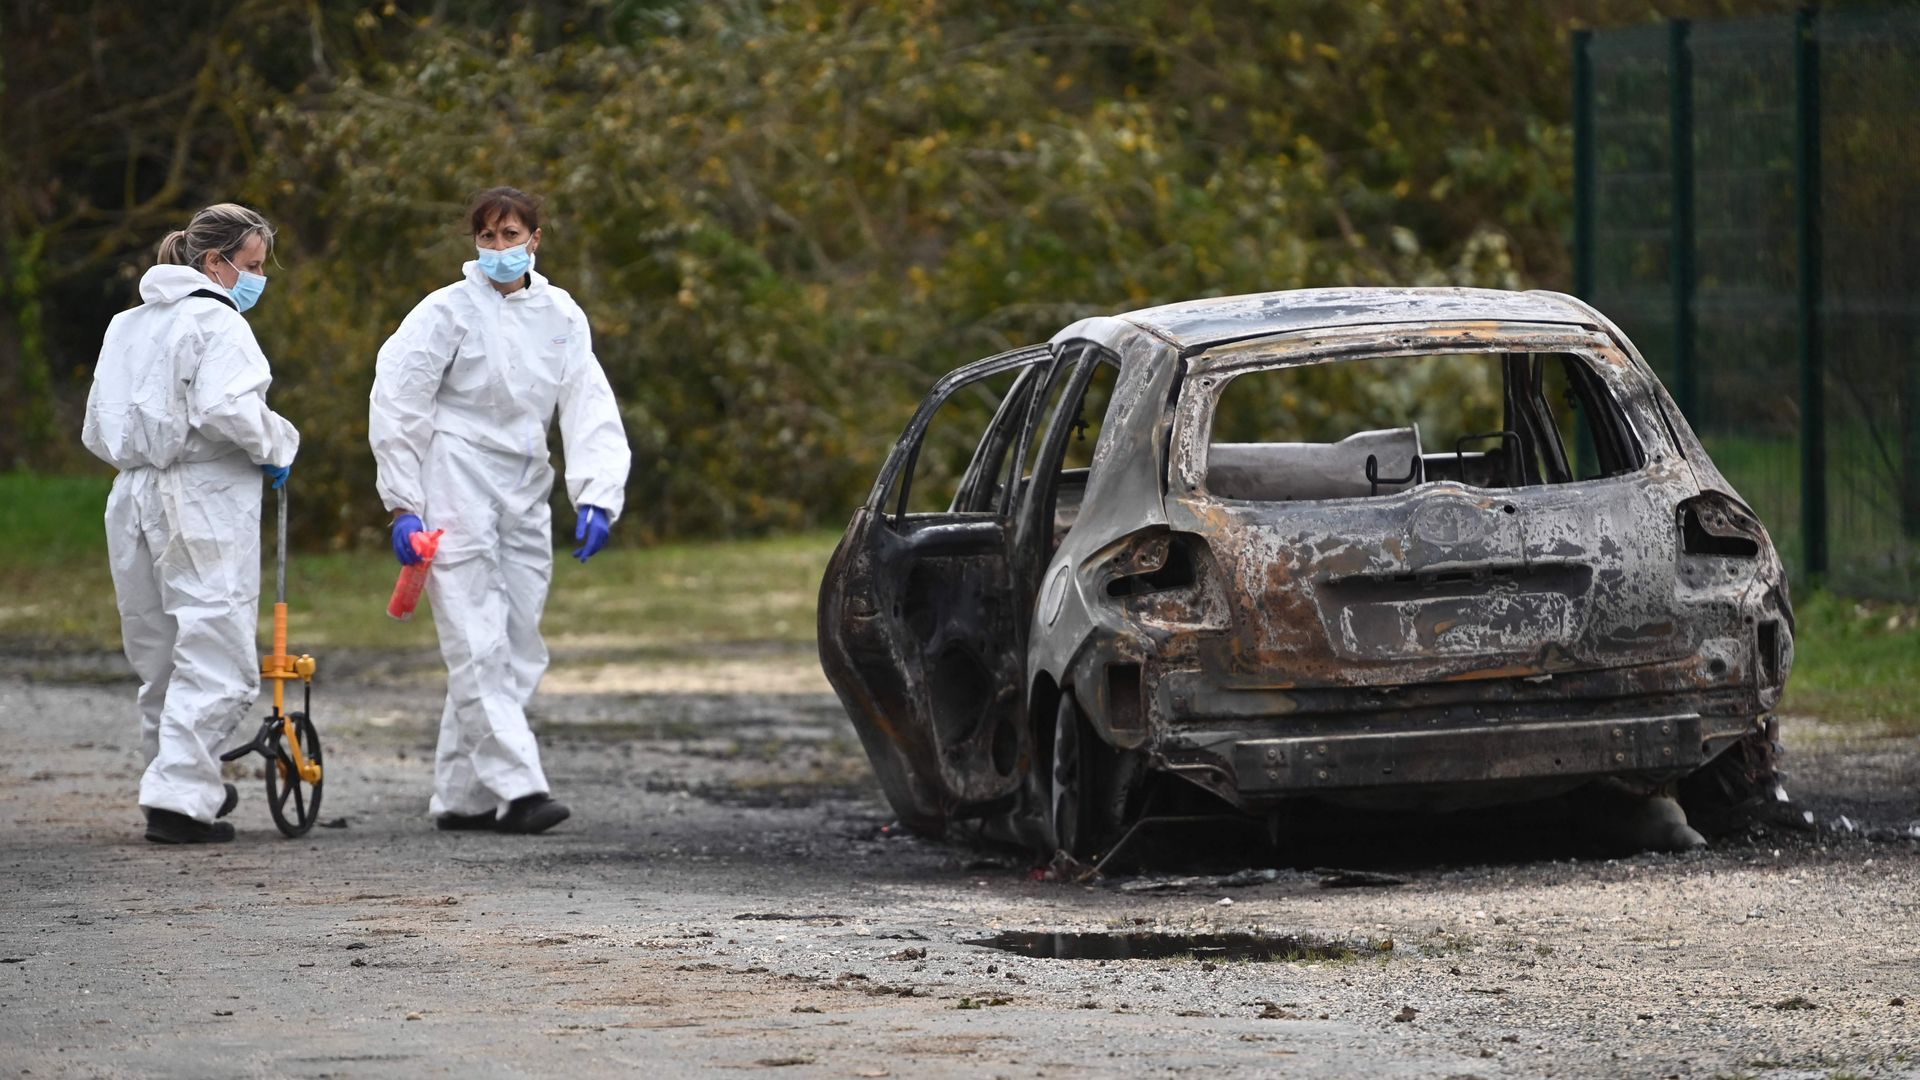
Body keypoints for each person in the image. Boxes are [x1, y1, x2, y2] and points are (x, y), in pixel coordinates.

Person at [369, 186, 631, 834]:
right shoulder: (446, 312)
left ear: (535, 240)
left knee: (518, 641)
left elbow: (587, 403)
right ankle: (520, 789)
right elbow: (398, 399)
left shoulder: (562, 315)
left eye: (510, 236)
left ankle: (461, 796)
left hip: (525, 480)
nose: (498, 248)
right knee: (475, 635)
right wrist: (403, 503)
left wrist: (597, 493)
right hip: (454, 473)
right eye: (487, 237)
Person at [82, 203, 301, 844]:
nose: (259, 278)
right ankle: (179, 798)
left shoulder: (128, 324)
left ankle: (181, 780)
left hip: (131, 494)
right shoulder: (219, 322)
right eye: (253, 265)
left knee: (160, 654)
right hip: (202, 496)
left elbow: (97, 426)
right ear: (215, 262)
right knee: (215, 649)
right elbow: (227, 409)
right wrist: (278, 443)